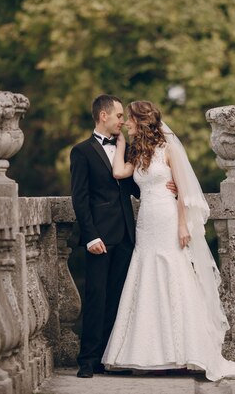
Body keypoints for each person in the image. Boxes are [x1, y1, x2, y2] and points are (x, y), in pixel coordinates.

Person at [101, 101, 235, 381]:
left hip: (169, 217)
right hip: (147, 221)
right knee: (147, 276)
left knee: (176, 275)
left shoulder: (169, 148)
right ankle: (150, 353)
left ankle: (185, 350)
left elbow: (183, 191)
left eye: (130, 120)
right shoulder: (139, 151)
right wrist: (122, 142)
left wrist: (183, 224)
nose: (125, 123)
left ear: (142, 120)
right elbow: (118, 173)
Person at [70, 95, 176, 378]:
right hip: (100, 238)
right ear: (103, 116)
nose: (122, 120)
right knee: (95, 296)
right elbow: (79, 199)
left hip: (130, 236)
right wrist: (90, 236)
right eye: (118, 115)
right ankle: (87, 360)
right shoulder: (81, 152)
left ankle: (108, 357)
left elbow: (139, 186)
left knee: (119, 299)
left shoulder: (129, 149)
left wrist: (171, 187)